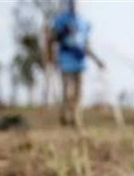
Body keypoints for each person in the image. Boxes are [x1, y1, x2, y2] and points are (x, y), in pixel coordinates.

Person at [49, 0, 105, 128]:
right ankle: (65, 116)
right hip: (65, 61)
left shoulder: (84, 22)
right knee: (67, 92)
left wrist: (97, 61)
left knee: (79, 94)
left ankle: (76, 119)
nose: (74, 4)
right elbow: (52, 39)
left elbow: (87, 46)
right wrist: (51, 58)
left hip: (80, 62)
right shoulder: (60, 20)